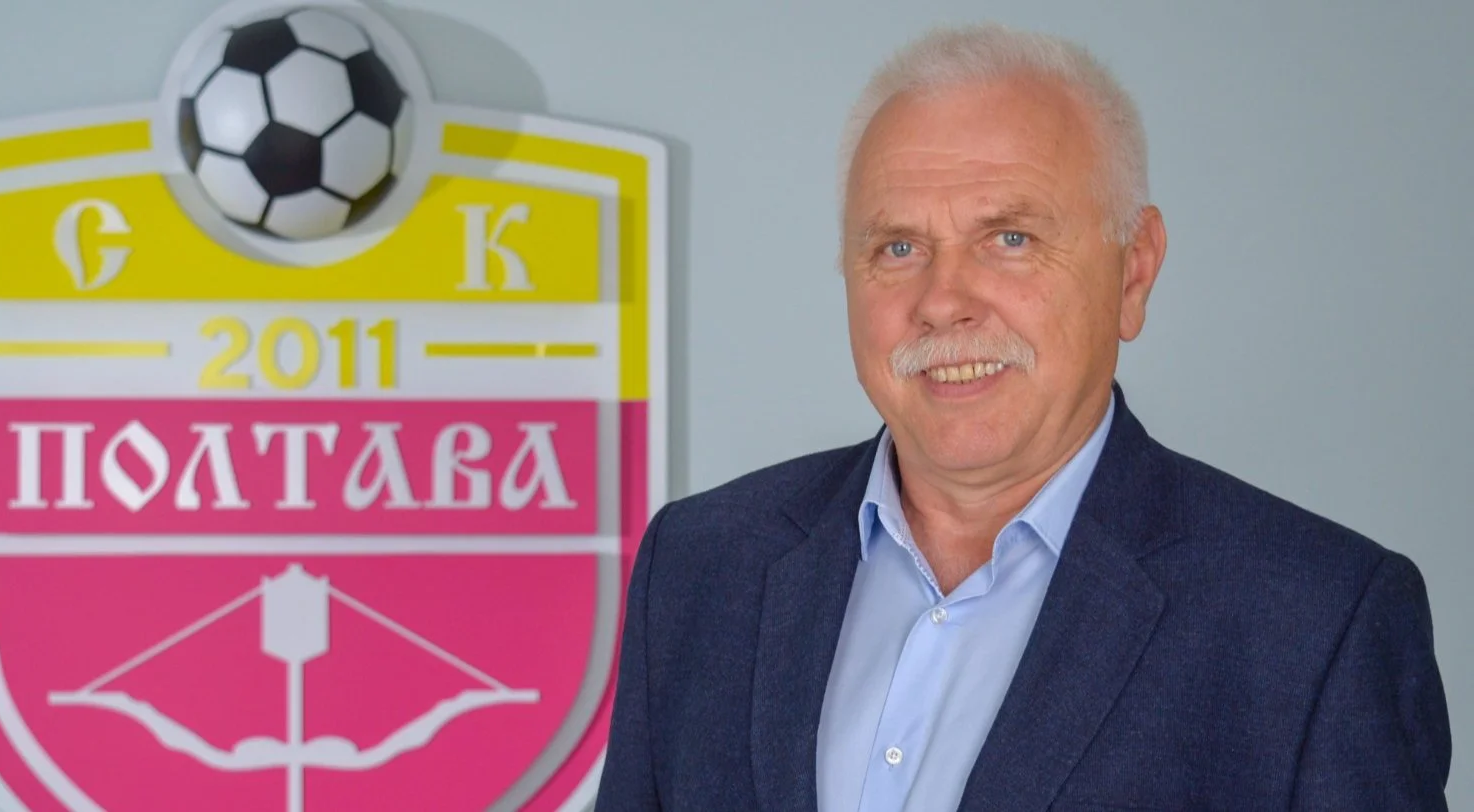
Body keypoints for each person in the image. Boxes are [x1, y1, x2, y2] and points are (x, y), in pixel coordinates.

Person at [592, 21, 1452, 812]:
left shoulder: (1313, 625)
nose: (943, 300)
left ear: (1134, 271)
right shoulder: (701, 569)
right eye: (899, 247)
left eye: (1010, 239)